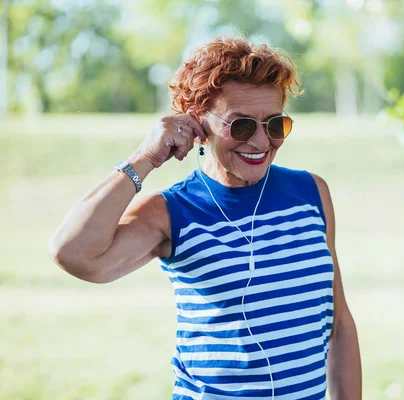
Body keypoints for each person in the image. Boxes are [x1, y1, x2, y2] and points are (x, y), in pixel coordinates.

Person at [48, 37, 362, 400]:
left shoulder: (312, 193)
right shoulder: (170, 212)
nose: (261, 142)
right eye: (241, 126)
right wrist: (144, 158)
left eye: (275, 124)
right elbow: (72, 253)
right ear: (197, 121)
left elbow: (338, 323)